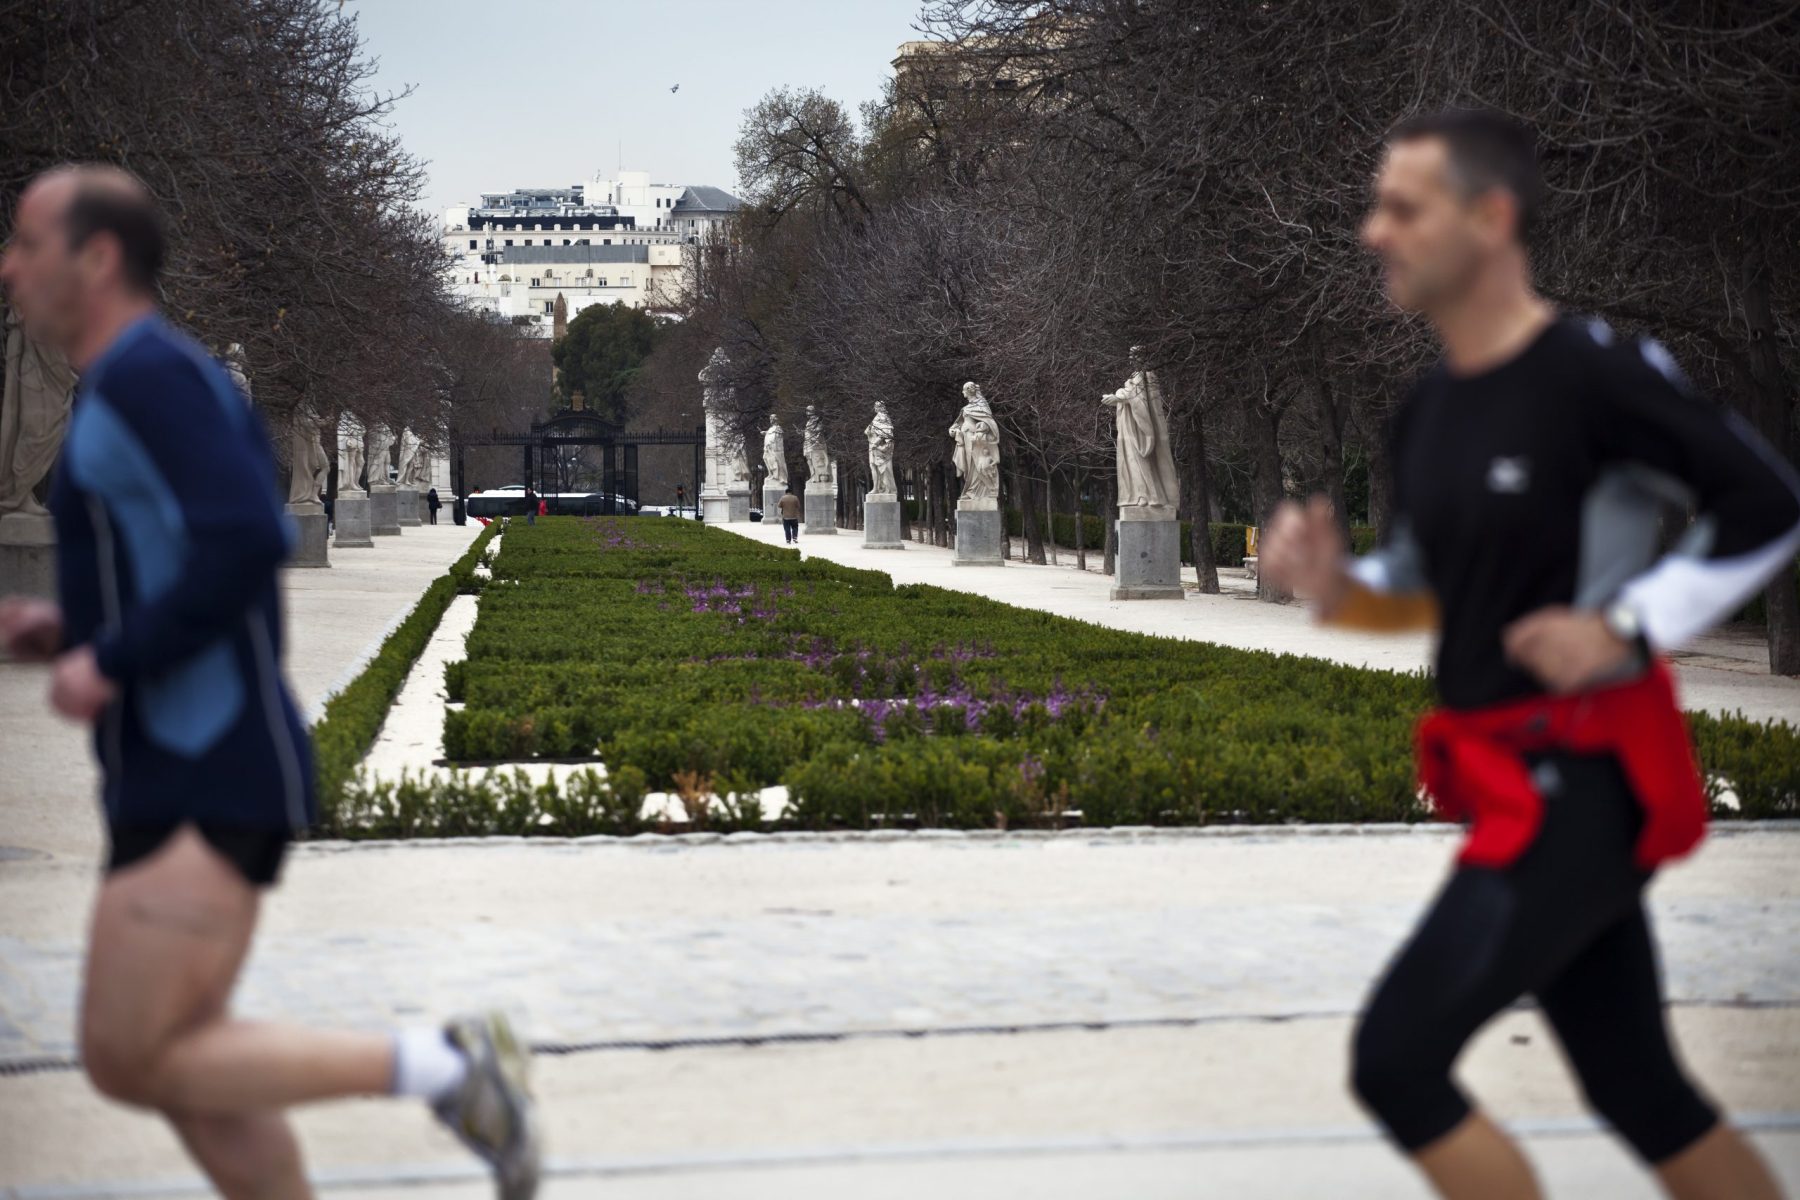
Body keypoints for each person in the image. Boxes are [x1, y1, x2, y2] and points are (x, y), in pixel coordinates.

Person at [1261, 110, 1797, 1200]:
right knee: (1644, 1095)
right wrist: (1332, 590)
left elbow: (1768, 504)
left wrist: (1623, 625)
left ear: (1492, 218)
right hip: (1507, 777)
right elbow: (1419, 594)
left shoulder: (1594, 372)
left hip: (1578, 788)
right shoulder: (1428, 410)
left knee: (1397, 1063)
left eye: (1404, 208)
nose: (1376, 232)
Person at [0, 166, 540, 1199]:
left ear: (98, 258)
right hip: (177, 765)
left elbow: (247, 538)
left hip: (209, 767)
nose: (10, 265)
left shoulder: (151, 378)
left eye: (30, 243)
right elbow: (176, 565)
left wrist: (107, 660)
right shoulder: (140, 380)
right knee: (183, 1067)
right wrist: (67, 629)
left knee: (132, 1052)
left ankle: (445, 1067)